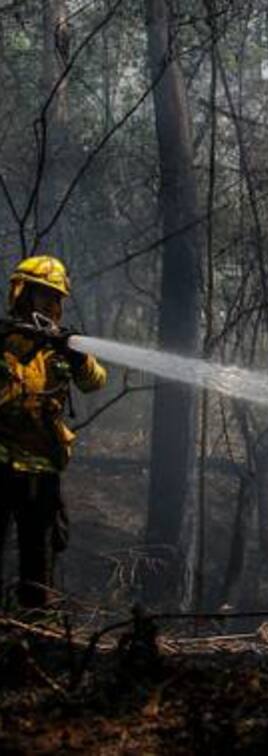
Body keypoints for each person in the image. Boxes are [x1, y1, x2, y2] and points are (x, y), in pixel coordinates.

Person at [0, 255, 106, 612]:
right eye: (41, 293)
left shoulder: (60, 347)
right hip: (2, 462)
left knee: (39, 558)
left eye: (54, 297)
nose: (49, 303)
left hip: (43, 468)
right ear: (21, 292)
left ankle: (35, 630)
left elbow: (95, 383)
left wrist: (77, 356)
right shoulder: (5, 340)